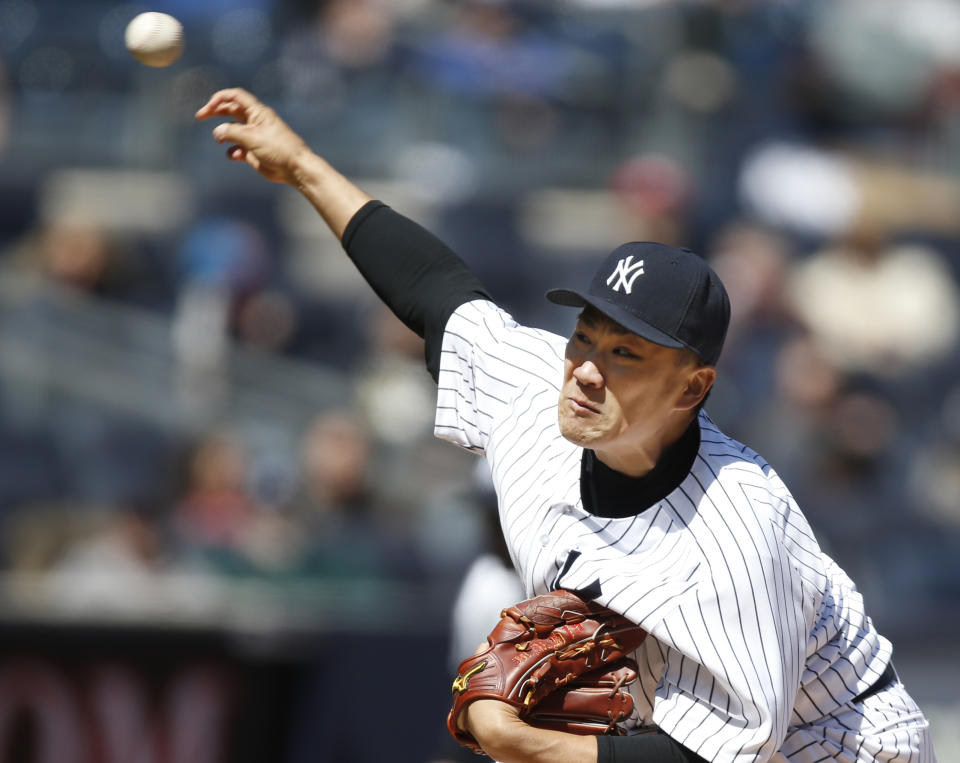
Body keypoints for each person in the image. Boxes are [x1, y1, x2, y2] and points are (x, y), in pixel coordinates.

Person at [195, 89, 936, 763]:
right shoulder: (532, 387)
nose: (585, 367)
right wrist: (303, 166)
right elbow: (434, 290)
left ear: (694, 386)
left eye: (625, 353)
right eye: (585, 335)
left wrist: (519, 741)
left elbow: (720, 758)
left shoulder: (734, 531)